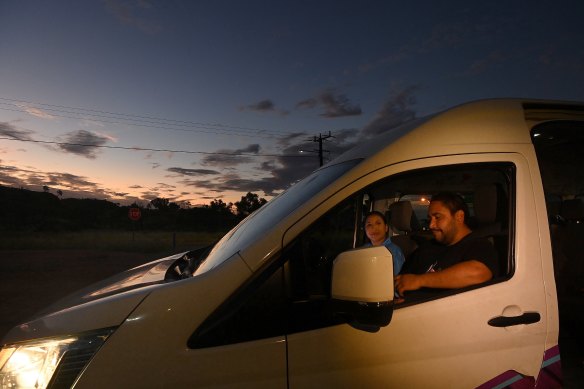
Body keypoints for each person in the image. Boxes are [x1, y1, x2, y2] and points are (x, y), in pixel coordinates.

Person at [394, 192, 498, 299]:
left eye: (437, 217)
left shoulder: (479, 245)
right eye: (430, 219)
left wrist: (420, 280)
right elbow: (401, 281)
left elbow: (478, 272)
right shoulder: (426, 247)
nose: (431, 225)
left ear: (459, 216)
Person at [363, 211, 405, 276]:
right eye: (369, 225)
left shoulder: (394, 251)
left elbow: (397, 280)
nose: (374, 228)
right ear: (365, 230)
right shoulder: (363, 249)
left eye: (378, 223)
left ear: (386, 228)